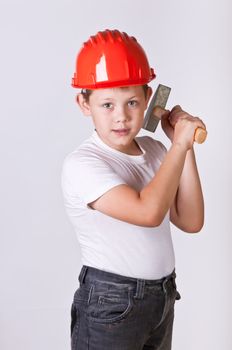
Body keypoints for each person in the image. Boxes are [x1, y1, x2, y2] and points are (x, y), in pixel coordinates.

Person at [61, 29, 206, 350]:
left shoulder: (155, 150)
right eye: (107, 105)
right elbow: (149, 212)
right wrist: (179, 145)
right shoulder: (83, 163)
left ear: (149, 98)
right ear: (84, 104)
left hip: (162, 297)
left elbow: (191, 219)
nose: (122, 117)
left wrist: (180, 145)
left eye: (132, 103)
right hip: (111, 303)